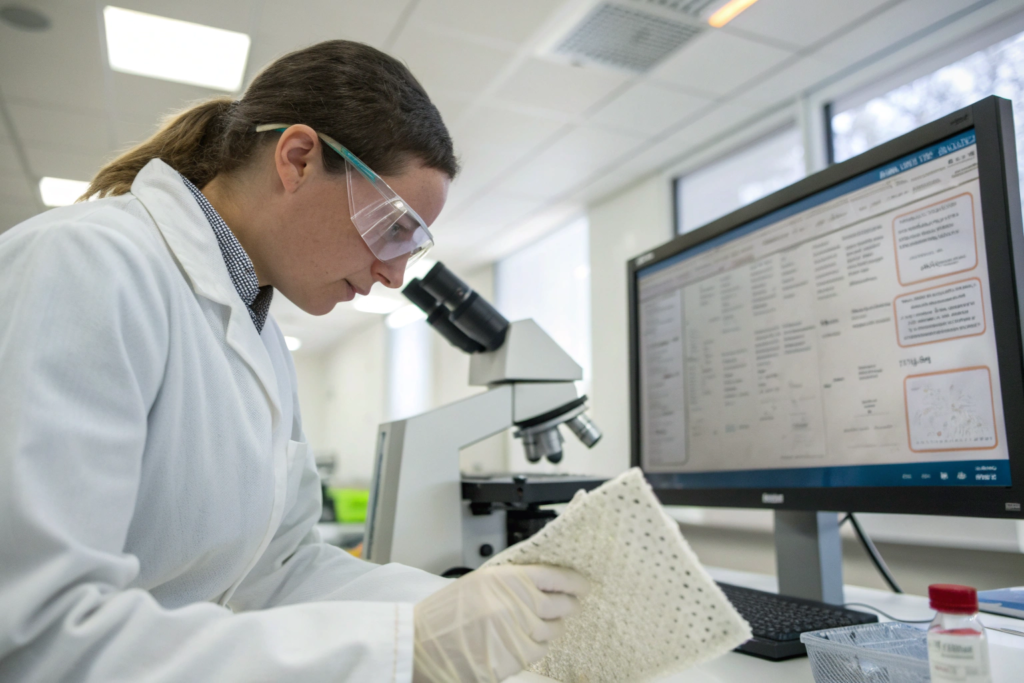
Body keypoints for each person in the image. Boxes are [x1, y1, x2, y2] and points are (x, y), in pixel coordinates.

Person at [0, 40, 587, 682]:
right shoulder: (85, 264)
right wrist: (404, 648)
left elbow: (282, 571)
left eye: (412, 243)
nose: (394, 274)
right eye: (393, 226)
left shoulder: (262, 338)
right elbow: (38, 634)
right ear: (299, 159)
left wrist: (466, 612)